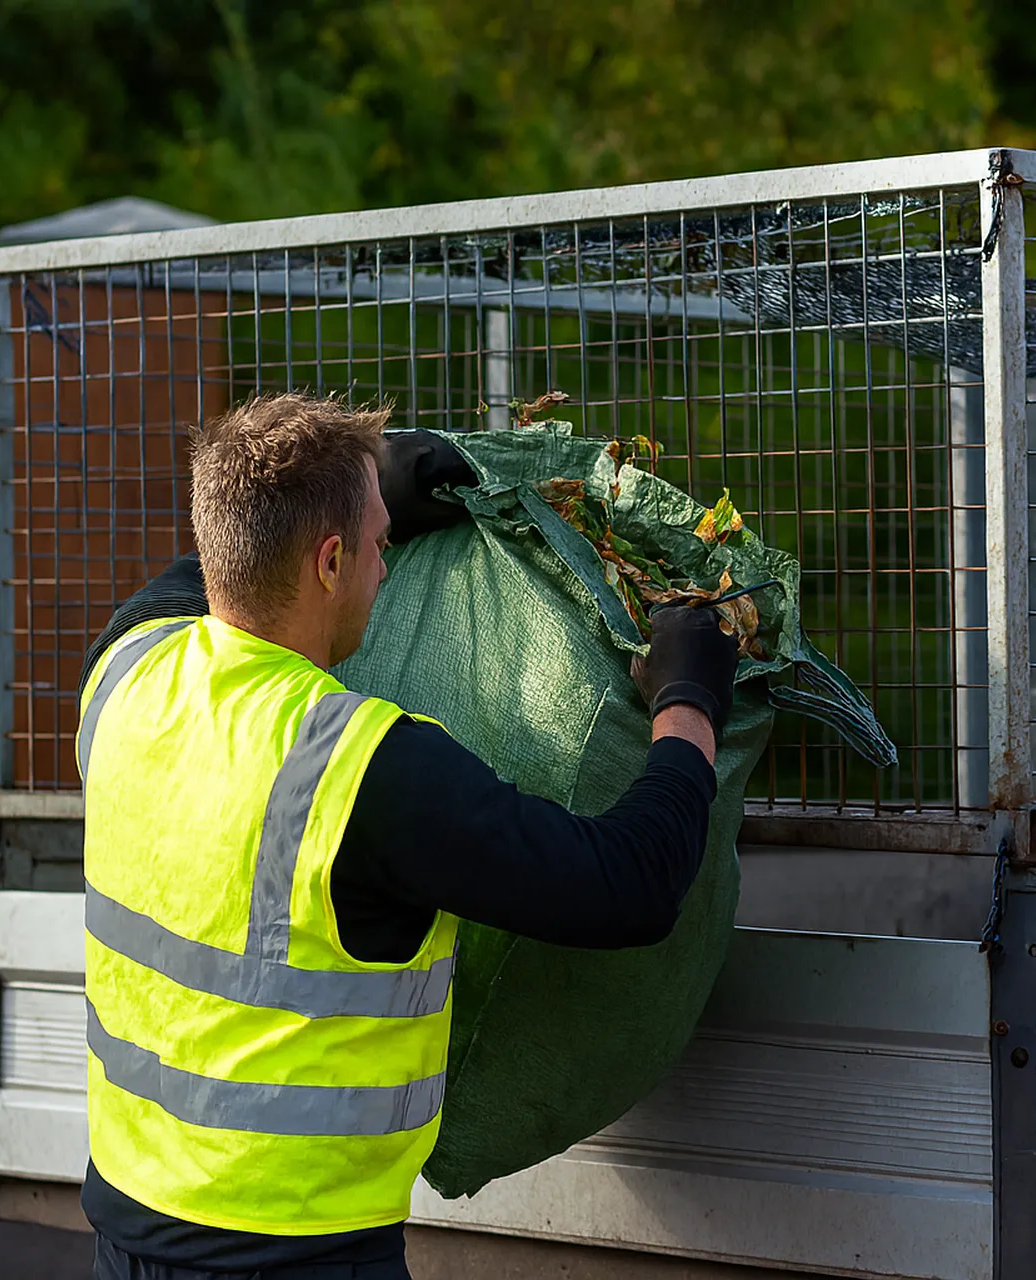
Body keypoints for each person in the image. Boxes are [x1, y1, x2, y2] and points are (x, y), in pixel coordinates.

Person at [78, 392, 738, 1280]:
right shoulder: (360, 770)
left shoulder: (124, 674)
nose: (389, 566)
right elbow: (630, 886)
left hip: (124, 1224)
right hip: (291, 1253)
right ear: (328, 561)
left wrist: (366, 480)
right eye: (379, 543)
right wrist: (689, 701)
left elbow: (198, 577)